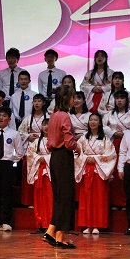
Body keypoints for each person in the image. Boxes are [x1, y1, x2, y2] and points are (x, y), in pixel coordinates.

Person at [43, 85, 78, 249]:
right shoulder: (64, 116)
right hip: (64, 156)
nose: (73, 100)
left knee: (59, 196)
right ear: (67, 99)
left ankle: (56, 234)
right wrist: (77, 147)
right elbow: (69, 142)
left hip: (55, 157)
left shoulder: (53, 115)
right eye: (72, 97)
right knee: (65, 197)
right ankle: (55, 234)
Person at [75, 113, 117, 235]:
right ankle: (88, 225)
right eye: (91, 120)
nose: (93, 122)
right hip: (86, 169)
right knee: (86, 198)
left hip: (99, 171)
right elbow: (76, 153)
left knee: (99, 198)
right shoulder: (83, 138)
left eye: (95, 120)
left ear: (99, 123)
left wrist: (96, 159)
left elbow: (111, 155)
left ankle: (97, 225)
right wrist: (85, 158)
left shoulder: (105, 139)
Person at [0, 106, 23, 232]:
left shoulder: (14, 134)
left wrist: (11, 160)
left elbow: (20, 152)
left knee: (6, 192)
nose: (1, 118)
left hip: (7, 164)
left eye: (4, 116)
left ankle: (7, 221)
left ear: (9, 119)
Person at [18, 93, 48, 209]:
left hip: (45, 147)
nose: (37, 103)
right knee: (29, 173)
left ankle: (43, 199)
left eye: (39, 101)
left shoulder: (48, 116)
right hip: (31, 149)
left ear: (43, 103)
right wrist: (28, 136)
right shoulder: (28, 118)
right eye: (35, 101)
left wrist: (42, 136)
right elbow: (20, 132)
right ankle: (29, 200)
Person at [25, 119, 53, 232]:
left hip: (50, 172)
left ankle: (50, 224)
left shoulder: (56, 141)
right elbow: (30, 153)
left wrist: (46, 158)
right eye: (44, 124)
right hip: (39, 170)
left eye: (48, 125)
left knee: (50, 197)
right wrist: (38, 158)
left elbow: (57, 155)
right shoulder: (37, 141)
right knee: (39, 198)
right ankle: (40, 223)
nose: (46, 127)